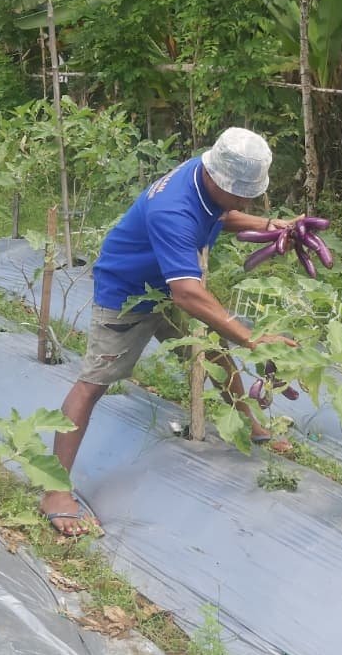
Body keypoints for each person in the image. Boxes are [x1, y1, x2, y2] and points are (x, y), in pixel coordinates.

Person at [42, 127, 298, 538]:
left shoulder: (207, 173)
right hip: (128, 292)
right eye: (243, 193)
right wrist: (250, 337)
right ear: (219, 180)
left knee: (212, 351)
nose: (247, 201)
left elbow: (224, 214)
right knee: (92, 384)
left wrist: (272, 225)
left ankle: (253, 427)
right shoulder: (174, 210)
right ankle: (54, 490)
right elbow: (188, 293)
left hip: (170, 284)